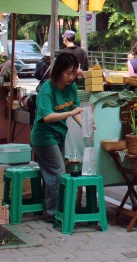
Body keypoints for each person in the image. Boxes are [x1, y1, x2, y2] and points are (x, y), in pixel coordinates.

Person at [30, 52, 84, 222]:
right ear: (58, 71)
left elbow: (76, 109)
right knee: (57, 172)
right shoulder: (47, 88)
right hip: (44, 136)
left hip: (59, 134)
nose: (71, 77)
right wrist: (69, 112)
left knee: (53, 172)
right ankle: (54, 213)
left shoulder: (72, 87)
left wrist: (87, 125)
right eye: (67, 73)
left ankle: (49, 208)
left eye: (74, 73)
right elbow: (47, 117)